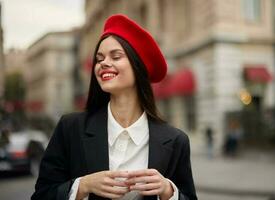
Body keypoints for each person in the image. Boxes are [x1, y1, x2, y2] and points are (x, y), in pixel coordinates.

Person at [31, 14, 197, 200]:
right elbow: (42, 195)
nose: (103, 63)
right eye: (99, 58)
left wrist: (168, 191)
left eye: (116, 56)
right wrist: (83, 186)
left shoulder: (176, 140)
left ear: (138, 66)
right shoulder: (70, 128)